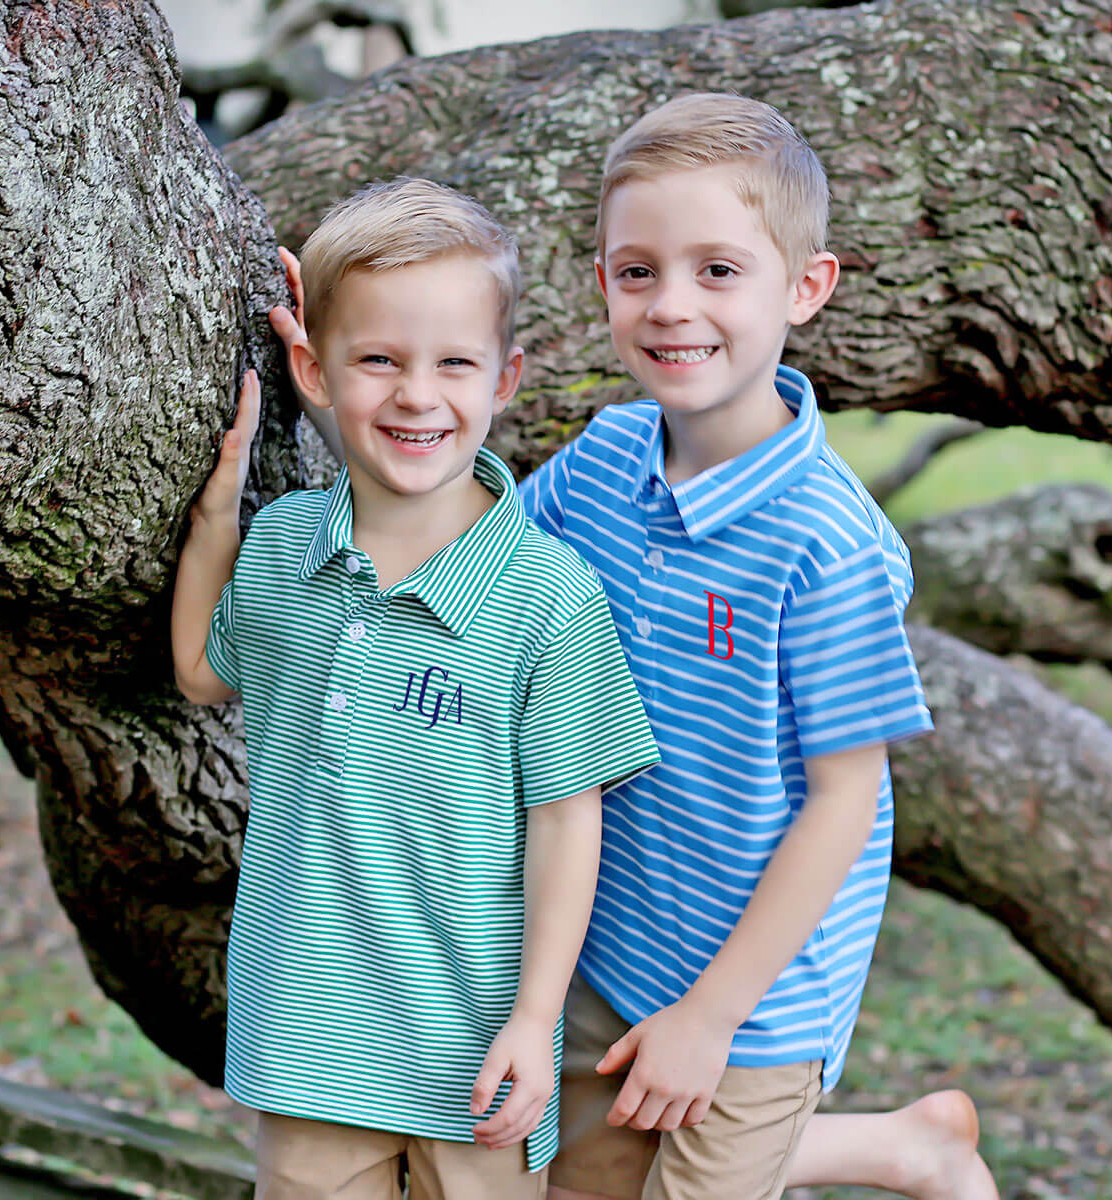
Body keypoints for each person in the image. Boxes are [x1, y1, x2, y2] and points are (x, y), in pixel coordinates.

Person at [269, 96, 999, 1198]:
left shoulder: (828, 541)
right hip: (609, 941)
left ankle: (894, 1149)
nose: (672, 307)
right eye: (637, 272)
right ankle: (902, 1145)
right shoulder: (606, 456)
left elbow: (848, 801)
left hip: (755, 995)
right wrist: (338, 392)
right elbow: (471, 533)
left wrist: (710, 1019)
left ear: (806, 288)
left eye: (718, 271)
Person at [172, 176, 661, 1200]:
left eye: (454, 364)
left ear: (507, 378)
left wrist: (535, 1019)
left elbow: (570, 826)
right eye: (378, 360)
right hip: (306, 1041)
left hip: (475, 1054)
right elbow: (203, 674)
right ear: (313, 366)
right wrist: (218, 518)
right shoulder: (277, 549)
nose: (415, 395)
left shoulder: (547, 596)